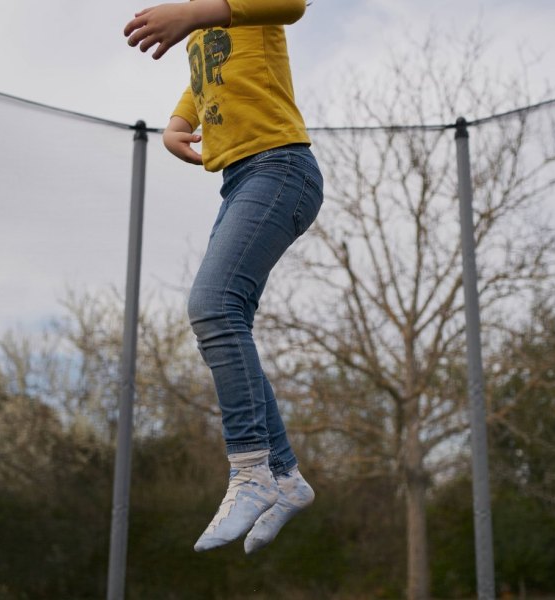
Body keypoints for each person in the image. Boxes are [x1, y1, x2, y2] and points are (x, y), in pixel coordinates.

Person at [124, 0, 322, 554]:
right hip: (241, 179)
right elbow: (205, 77)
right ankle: (284, 477)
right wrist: (177, 124)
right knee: (225, 318)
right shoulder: (209, 23)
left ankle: (251, 467)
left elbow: (295, 3)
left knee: (212, 307)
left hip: (281, 167)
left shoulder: (241, 7)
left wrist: (195, 13)